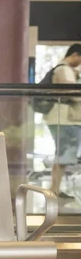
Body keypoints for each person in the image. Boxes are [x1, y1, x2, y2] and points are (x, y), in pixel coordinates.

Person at [44, 43, 81, 198]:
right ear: (74, 55)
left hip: (61, 117)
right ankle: (54, 190)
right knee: (63, 155)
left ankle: (55, 189)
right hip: (65, 118)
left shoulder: (64, 70)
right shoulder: (64, 70)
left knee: (62, 155)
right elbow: (71, 93)